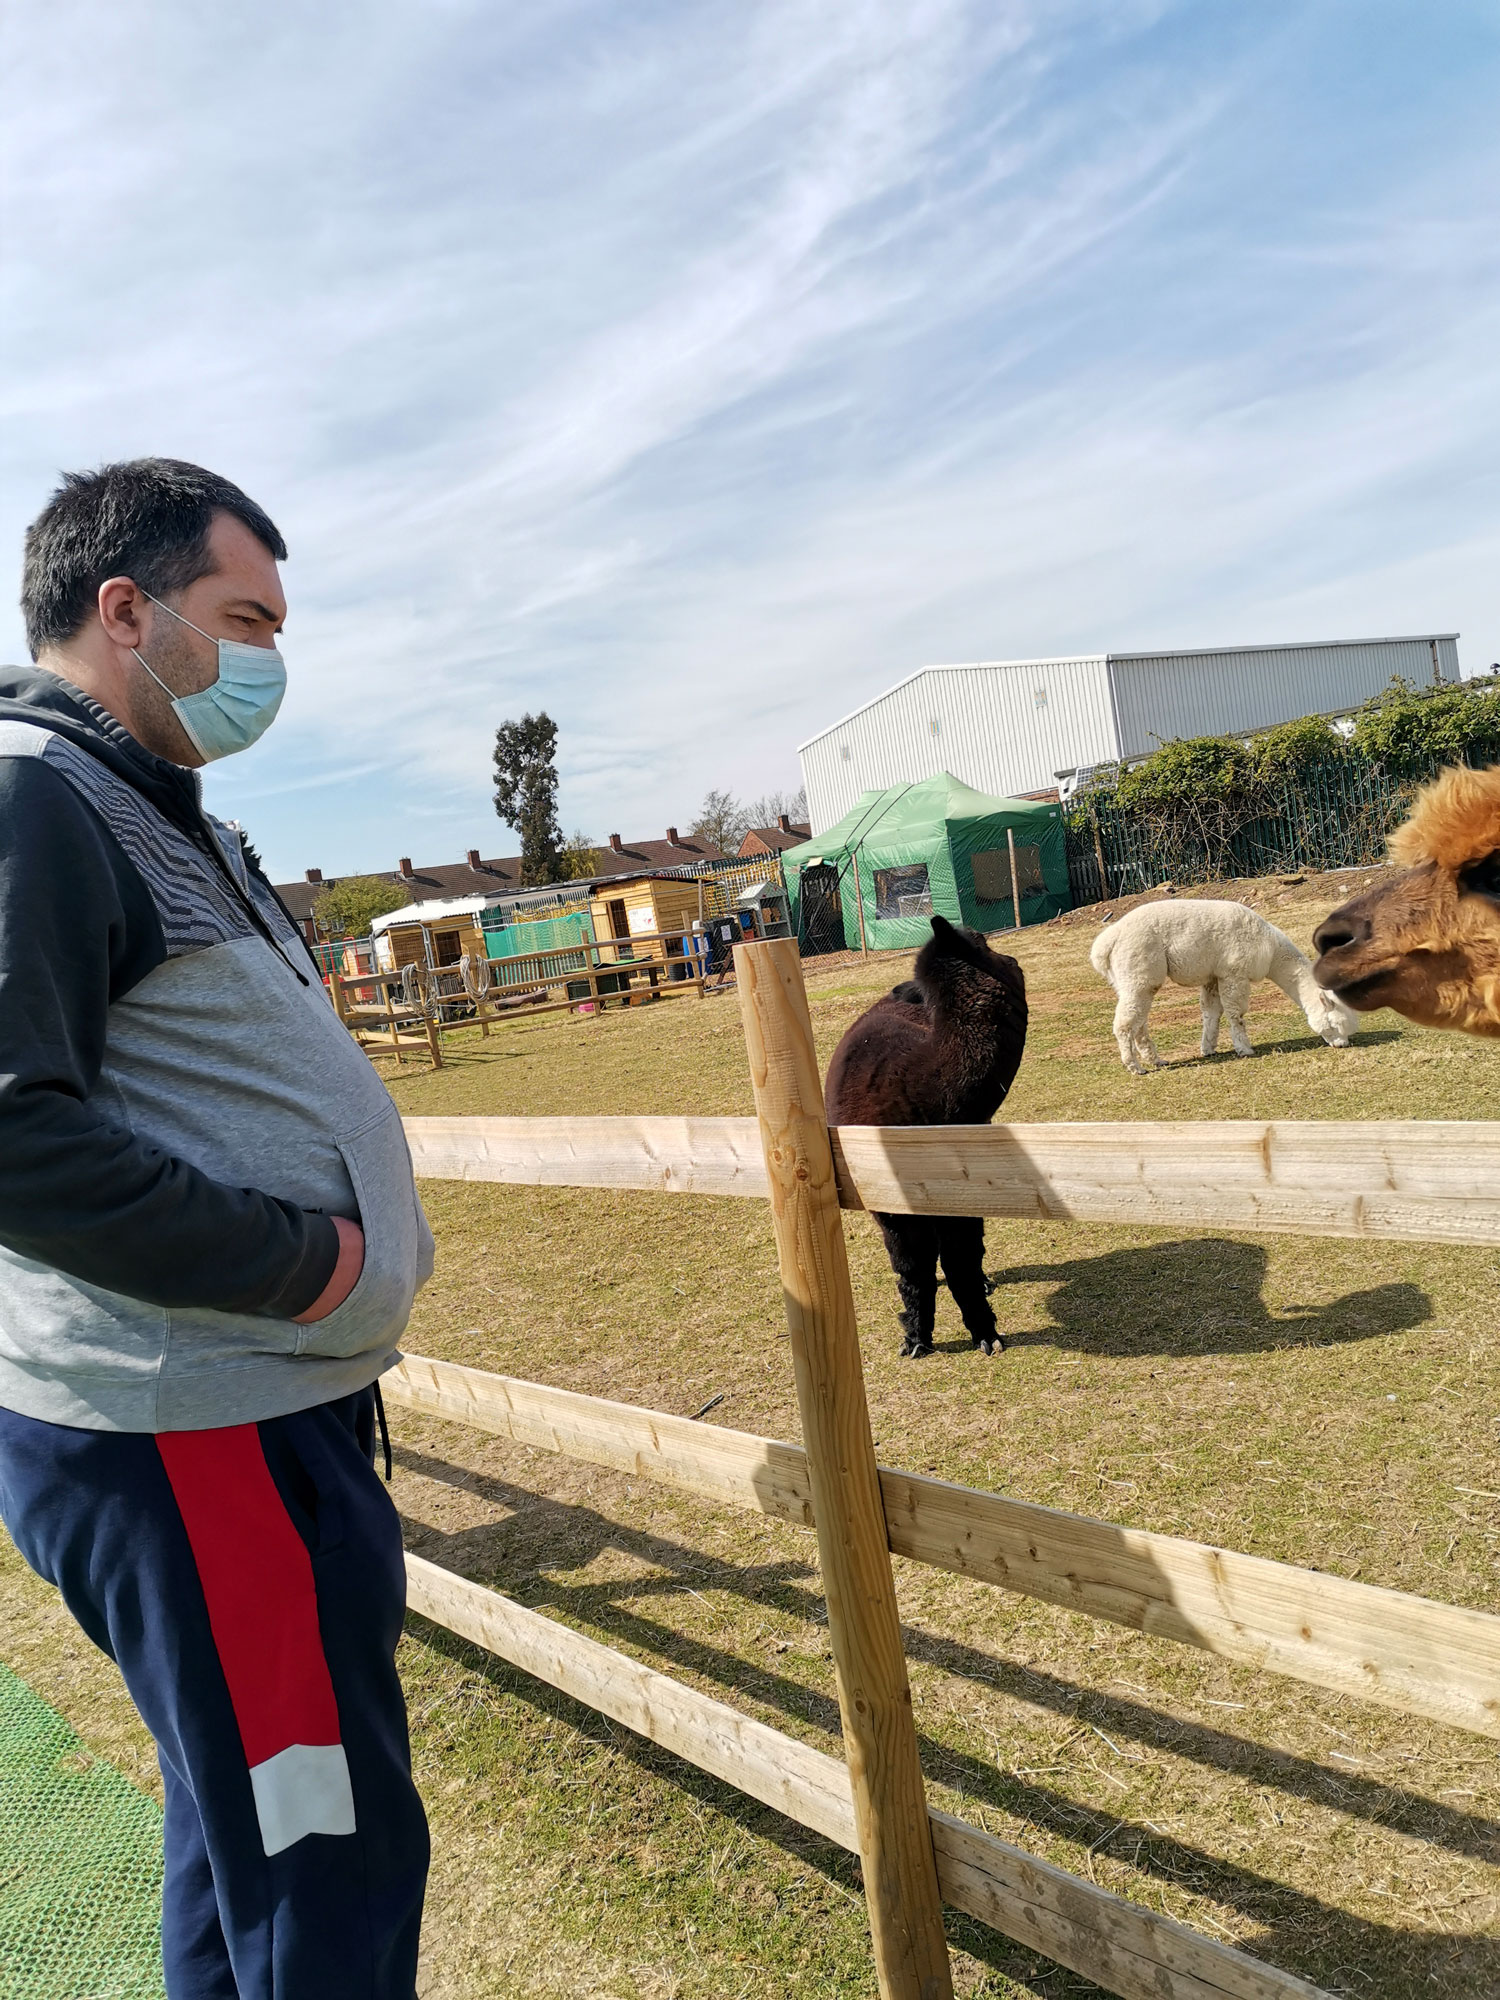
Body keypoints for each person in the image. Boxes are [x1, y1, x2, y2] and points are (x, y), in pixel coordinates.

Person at [0, 459, 433, 1998]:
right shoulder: (34, 797)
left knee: (248, 1822)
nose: (268, 662)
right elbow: (12, 1132)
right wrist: (311, 1265)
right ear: (126, 611)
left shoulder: (153, 805)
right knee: (324, 1853)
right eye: (245, 621)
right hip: (195, 1435)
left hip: (246, 1416)